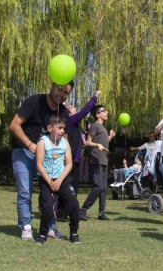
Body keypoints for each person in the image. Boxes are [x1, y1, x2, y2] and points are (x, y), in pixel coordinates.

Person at [9, 82, 71, 240]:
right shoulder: (34, 102)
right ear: (51, 85)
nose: (61, 94)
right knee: (25, 192)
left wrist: (65, 152)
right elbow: (14, 125)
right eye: (59, 89)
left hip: (49, 157)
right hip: (24, 151)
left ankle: (50, 227)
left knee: (52, 191)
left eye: (66, 93)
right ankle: (26, 227)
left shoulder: (63, 111)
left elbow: (64, 135)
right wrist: (30, 145)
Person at [35, 115, 81, 245]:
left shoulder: (64, 143)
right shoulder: (42, 142)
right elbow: (39, 165)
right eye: (59, 128)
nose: (62, 131)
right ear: (50, 128)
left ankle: (74, 233)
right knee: (48, 208)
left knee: (73, 204)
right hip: (46, 180)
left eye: (63, 128)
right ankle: (42, 234)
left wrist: (60, 180)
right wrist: (50, 182)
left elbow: (69, 164)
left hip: (62, 180)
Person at [79, 104, 116, 221]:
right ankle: (83, 209)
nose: (107, 112)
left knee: (104, 188)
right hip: (96, 160)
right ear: (97, 114)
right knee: (98, 187)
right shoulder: (95, 126)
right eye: (104, 111)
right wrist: (97, 145)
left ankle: (101, 213)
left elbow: (102, 142)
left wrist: (110, 137)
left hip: (103, 160)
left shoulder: (103, 128)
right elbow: (88, 142)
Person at [65, 90, 101, 194]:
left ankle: (70, 208)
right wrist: (94, 97)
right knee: (68, 187)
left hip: (75, 160)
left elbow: (85, 142)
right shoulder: (70, 120)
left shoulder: (76, 126)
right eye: (72, 108)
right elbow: (84, 111)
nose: (74, 108)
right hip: (69, 159)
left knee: (74, 187)